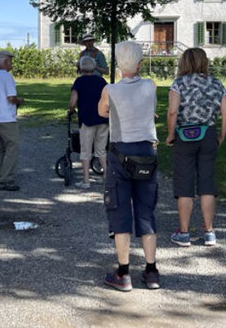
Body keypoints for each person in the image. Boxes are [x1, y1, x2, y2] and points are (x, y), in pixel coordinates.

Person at [98, 41, 160, 291]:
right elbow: (150, 109)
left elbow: (101, 112)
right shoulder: (150, 85)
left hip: (120, 153)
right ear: (140, 63)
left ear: (117, 63)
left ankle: (123, 273)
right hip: (146, 151)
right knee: (146, 211)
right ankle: (151, 270)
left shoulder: (109, 89)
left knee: (120, 209)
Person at [165, 48, 226, 247]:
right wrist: (221, 135)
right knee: (207, 183)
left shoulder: (178, 84)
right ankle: (209, 231)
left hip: (185, 135)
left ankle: (184, 233)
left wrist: (170, 134)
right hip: (208, 133)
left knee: (184, 184)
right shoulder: (216, 83)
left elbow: (172, 111)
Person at [68, 56, 109, 189]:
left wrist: (71, 110)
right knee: (101, 149)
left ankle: (86, 180)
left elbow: (73, 102)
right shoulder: (101, 81)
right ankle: (106, 176)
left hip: (87, 119)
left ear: (81, 68)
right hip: (103, 119)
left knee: (85, 150)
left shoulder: (79, 82)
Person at [0, 50, 24, 191]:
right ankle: (6, 179)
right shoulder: (7, 77)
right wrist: (19, 100)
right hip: (6, 118)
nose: (12, 63)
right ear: (5, 62)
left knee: (0, 149)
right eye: (10, 60)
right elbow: (11, 98)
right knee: (12, 146)